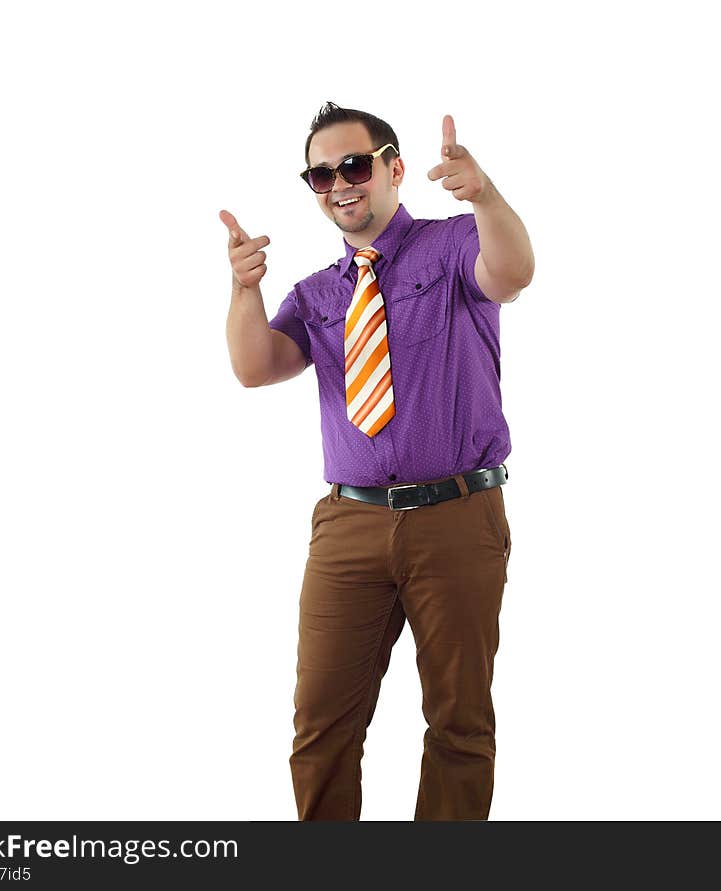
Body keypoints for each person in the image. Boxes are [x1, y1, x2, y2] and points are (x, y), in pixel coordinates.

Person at [221, 101, 534, 821]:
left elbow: (513, 270)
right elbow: (253, 366)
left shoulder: (456, 244)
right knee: (321, 726)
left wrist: (484, 194)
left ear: (393, 169)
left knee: (458, 723)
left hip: (457, 516)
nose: (340, 183)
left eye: (354, 165)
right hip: (349, 527)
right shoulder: (320, 292)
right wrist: (245, 288)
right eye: (321, 173)